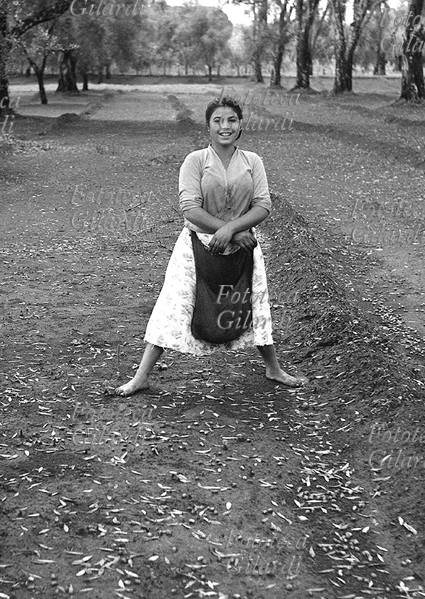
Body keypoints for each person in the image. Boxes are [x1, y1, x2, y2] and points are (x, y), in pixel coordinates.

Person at [116, 96, 306, 396]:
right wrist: (230, 230)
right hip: (196, 246)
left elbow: (263, 205)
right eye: (218, 120)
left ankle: (274, 368)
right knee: (174, 307)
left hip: (243, 246)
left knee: (255, 305)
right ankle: (140, 377)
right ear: (208, 127)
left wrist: (233, 229)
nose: (225, 126)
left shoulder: (252, 161)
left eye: (231, 120)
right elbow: (189, 209)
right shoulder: (195, 161)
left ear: (240, 125)